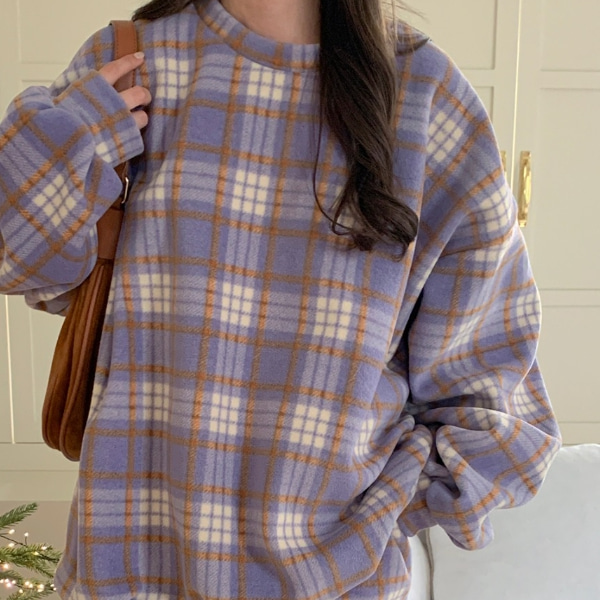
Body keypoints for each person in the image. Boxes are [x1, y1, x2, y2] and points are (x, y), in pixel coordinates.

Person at [0, 0, 561, 598]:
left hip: (335, 580)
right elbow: (16, 260)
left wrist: (383, 509)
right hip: (129, 566)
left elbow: (490, 388)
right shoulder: (132, 61)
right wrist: (75, 139)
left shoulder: (427, 94)